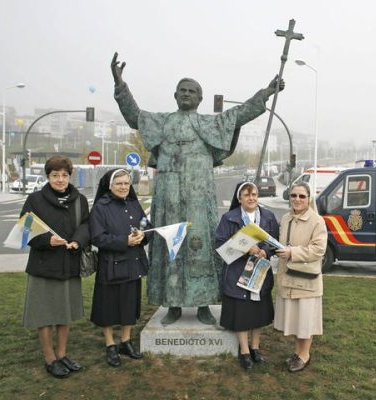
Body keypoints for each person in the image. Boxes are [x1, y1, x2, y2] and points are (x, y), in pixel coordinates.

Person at [111, 52, 285, 325]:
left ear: (200, 99)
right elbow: (135, 116)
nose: (187, 94)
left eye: (192, 91)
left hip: (198, 197)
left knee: (201, 246)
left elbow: (239, 114)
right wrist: (120, 86)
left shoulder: (208, 124)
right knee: (171, 247)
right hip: (168, 196)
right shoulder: (163, 121)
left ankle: (203, 302)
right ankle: (173, 305)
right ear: (175, 95)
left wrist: (266, 92)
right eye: (183, 90)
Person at [21, 156, 90, 378]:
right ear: (48, 177)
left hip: (69, 263)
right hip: (44, 266)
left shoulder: (80, 200)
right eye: (55, 175)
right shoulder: (35, 200)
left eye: (64, 175)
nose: (60, 180)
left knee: (64, 313)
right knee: (44, 314)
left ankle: (62, 355)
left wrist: (78, 240)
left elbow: (86, 225)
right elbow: (25, 231)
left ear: (69, 176)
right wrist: (47, 241)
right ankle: (50, 358)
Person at [90, 169, 152, 367]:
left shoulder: (134, 204)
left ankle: (125, 341)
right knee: (107, 307)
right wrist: (124, 241)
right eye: (119, 184)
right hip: (111, 265)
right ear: (110, 185)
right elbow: (98, 237)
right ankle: (110, 344)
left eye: (126, 183)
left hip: (133, 263)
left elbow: (145, 224)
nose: (124, 187)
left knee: (129, 305)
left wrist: (143, 235)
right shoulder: (101, 207)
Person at [215, 182, 279, 370]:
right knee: (242, 313)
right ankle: (244, 350)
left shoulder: (268, 217)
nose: (251, 198)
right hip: (237, 272)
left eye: (254, 194)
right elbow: (219, 243)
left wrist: (265, 251)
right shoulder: (229, 218)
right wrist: (245, 248)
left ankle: (255, 347)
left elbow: (276, 242)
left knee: (258, 311)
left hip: (259, 272)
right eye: (247, 195)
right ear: (239, 198)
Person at [274, 182, 327, 372]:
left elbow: (318, 249)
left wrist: (291, 253)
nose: (297, 199)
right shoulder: (286, 218)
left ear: (309, 199)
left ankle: (305, 355)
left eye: (302, 196)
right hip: (288, 278)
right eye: (294, 195)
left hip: (306, 281)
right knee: (297, 321)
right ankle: (298, 353)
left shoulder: (317, 221)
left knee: (305, 322)